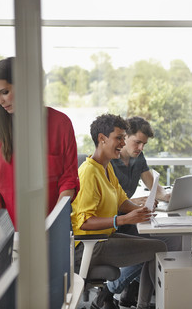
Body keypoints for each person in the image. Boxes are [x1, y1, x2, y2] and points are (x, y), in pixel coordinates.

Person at [71, 113, 167, 309]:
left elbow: (121, 200)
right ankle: (142, 304)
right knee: (158, 248)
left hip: (103, 237)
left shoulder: (106, 168)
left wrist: (142, 210)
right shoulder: (89, 172)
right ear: (102, 138)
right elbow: (84, 223)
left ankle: (141, 303)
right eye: (119, 138)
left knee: (157, 246)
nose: (123, 143)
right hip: (89, 246)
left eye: (124, 137)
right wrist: (123, 220)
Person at [0, 57, 79, 227]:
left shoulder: (60, 124)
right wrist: (3, 227)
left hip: (53, 229)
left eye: (4, 92)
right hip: (11, 232)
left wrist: (54, 224)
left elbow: (68, 180)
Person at [107, 116, 180, 308]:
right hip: (115, 223)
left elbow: (153, 185)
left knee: (174, 239)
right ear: (124, 138)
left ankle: (138, 300)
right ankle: (115, 285)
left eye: (144, 144)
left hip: (131, 219)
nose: (140, 148)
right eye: (137, 142)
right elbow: (103, 205)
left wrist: (168, 195)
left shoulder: (137, 157)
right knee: (157, 246)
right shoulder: (109, 162)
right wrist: (130, 203)